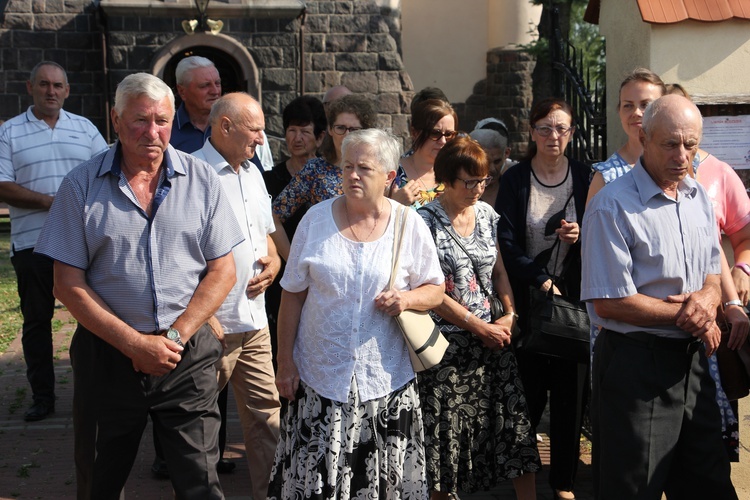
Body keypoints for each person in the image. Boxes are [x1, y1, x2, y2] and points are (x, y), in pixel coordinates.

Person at [34, 72, 243, 499]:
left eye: (162, 121)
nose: (153, 132)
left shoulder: (202, 180)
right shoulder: (80, 185)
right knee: (100, 481)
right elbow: (66, 283)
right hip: (108, 358)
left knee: (201, 484)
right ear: (115, 119)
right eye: (140, 120)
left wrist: (174, 336)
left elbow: (223, 270)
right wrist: (133, 345)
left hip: (184, 354)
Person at [268, 128, 445, 499]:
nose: (352, 175)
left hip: (386, 383)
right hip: (320, 381)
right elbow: (292, 296)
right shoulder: (315, 220)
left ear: (390, 177)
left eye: (364, 168)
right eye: (347, 166)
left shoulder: (408, 223)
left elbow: (436, 288)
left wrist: (406, 300)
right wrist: (285, 363)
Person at [581, 94, 738, 499]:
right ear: (644, 137)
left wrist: (707, 296)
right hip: (636, 366)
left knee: (710, 484)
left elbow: (710, 269)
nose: (682, 155)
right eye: (670, 144)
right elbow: (608, 301)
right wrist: (691, 314)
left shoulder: (697, 196)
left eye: (691, 144)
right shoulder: (610, 207)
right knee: (633, 488)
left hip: (694, 366)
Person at [418, 136, 540, 500]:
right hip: (446, 347)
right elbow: (432, 291)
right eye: (469, 181)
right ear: (446, 179)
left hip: (494, 340)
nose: (477, 189)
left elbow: (499, 271)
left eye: (483, 180)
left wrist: (510, 314)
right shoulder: (423, 222)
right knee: (446, 440)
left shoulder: (487, 214)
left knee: (515, 429)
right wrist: (477, 326)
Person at [0, 61, 108, 422]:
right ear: (29, 87)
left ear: (67, 91)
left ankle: (95, 392)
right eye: (44, 85)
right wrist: (54, 202)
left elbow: (108, 175)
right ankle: (42, 397)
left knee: (94, 320)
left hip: (85, 242)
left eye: (58, 85)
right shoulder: (10, 132)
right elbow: (2, 185)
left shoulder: (86, 129)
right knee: (36, 322)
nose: (51, 91)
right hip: (33, 243)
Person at [496, 98, 590, 500]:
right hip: (529, 303)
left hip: (572, 302)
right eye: (546, 128)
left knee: (571, 395)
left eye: (562, 128)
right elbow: (505, 240)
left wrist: (580, 235)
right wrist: (538, 278)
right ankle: (524, 481)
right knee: (527, 397)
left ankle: (564, 482)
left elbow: (603, 232)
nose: (555, 136)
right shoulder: (517, 179)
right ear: (532, 132)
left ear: (571, 133)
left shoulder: (586, 176)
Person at [193, 92, 282, 500]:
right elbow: (180, 254)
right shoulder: (192, 176)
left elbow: (265, 236)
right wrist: (202, 316)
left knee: (267, 420)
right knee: (198, 426)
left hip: (255, 323)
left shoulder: (252, 174)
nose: (263, 139)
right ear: (225, 126)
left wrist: (276, 262)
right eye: (256, 129)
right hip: (213, 325)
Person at [665, 81, 750, 461]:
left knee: (713, 429)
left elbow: (741, 235)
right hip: (665, 321)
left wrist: (743, 269)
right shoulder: (641, 178)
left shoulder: (718, 172)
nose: (680, 145)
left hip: (715, 312)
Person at [262, 95, 327, 375]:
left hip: (323, 276)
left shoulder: (332, 178)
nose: (297, 137)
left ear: (320, 137)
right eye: (291, 130)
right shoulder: (270, 179)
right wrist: (292, 261)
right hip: (285, 276)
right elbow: (266, 222)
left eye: (305, 131)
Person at [270, 93, 377, 260]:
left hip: (369, 259)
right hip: (326, 265)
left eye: (354, 130)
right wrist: (294, 262)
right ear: (330, 130)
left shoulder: (378, 170)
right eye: (340, 128)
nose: (346, 135)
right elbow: (273, 217)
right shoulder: (315, 170)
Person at [171, 55, 273, 171]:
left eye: (218, 83)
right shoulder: (166, 131)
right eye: (205, 85)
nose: (215, 91)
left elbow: (254, 176)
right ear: (182, 91)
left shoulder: (236, 128)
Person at [586, 68, 666, 205]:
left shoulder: (681, 165)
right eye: (628, 105)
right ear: (619, 111)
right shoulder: (606, 177)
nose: (636, 112)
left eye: (645, 105)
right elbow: (592, 225)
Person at [389, 98, 458, 208]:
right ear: (415, 132)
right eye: (435, 133)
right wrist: (394, 204)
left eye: (449, 134)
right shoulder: (391, 173)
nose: (443, 141)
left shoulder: (456, 175)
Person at [470, 120, 512, 205]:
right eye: (486, 162)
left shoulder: (514, 189)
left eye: (497, 161)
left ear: (506, 153)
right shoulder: (458, 192)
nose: (492, 169)